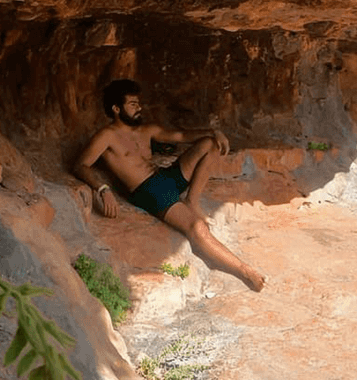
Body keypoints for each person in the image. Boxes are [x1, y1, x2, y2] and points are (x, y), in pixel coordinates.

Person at [73, 79, 266, 292]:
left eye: (139, 103)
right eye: (132, 104)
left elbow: (182, 136)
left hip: (163, 178)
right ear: (116, 109)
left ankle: (191, 201)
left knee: (209, 144)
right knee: (197, 227)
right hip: (147, 190)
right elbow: (81, 165)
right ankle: (244, 271)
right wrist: (102, 188)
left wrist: (214, 131)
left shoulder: (146, 130)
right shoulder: (106, 136)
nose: (139, 108)